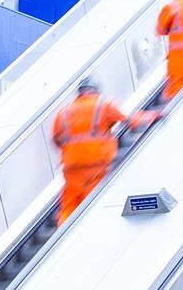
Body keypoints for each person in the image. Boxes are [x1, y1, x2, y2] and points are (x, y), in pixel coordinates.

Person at [51, 79, 131, 225]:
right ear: (96, 89)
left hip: (71, 168)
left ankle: (62, 236)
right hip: (95, 167)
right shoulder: (103, 105)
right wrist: (151, 117)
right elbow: (129, 120)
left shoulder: (64, 112)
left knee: (70, 205)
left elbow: (56, 139)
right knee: (92, 204)